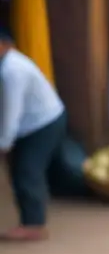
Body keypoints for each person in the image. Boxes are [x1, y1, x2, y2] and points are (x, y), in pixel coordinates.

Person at [0, 30, 67, 241]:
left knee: (28, 170)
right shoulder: (7, 65)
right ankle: (30, 220)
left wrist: (4, 143)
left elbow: (12, 111)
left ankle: (34, 224)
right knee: (24, 170)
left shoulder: (12, 71)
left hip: (44, 123)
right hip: (32, 124)